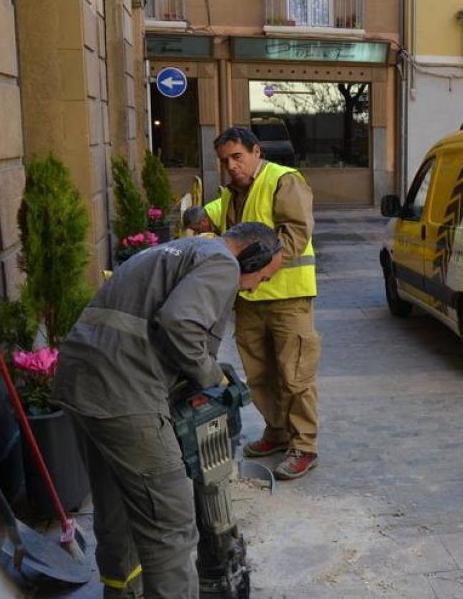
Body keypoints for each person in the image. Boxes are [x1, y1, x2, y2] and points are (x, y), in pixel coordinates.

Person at [52, 222, 284, 599]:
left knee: (115, 505)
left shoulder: (179, 249)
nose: (255, 287)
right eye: (262, 276)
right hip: (123, 391)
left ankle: (122, 591)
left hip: (81, 382)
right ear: (252, 256)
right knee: (171, 522)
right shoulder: (223, 262)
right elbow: (179, 323)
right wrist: (211, 378)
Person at [207, 126, 321, 479]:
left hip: (287, 298)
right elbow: (216, 221)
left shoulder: (283, 180)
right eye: (225, 160)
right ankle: (276, 432)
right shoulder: (231, 193)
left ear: (256, 151)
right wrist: (195, 217)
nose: (232, 166)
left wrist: (258, 275)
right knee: (261, 375)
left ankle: (304, 446)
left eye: (238, 157)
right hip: (248, 301)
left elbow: (295, 235)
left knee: (294, 375)